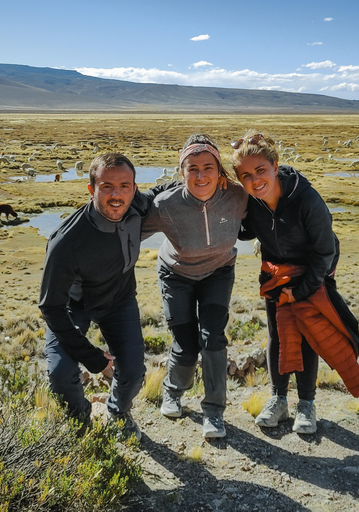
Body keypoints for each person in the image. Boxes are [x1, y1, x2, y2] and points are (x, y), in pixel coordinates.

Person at [231, 133, 359, 435]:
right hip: (275, 276)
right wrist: (228, 205)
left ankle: (306, 404)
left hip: (312, 275)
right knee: (277, 335)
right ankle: (278, 400)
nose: (255, 180)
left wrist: (303, 289)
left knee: (308, 336)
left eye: (260, 171)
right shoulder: (253, 202)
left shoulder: (306, 199)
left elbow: (325, 250)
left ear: (275, 166)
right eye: (246, 176)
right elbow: (245, 232)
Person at [142, 134, 248, 439]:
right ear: (181, 171)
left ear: (219, 170)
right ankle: (173, 392)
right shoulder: (166, 204)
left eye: (208, 167)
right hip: (176, 275)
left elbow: (275, 214)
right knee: (186, 344)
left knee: (213, 338)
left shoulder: (238, 197)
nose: (201, 175)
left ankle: (214, 412)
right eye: (192, 168)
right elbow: (127, 231)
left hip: (218, 272)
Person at [39, 152, 151, 440]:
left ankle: (117, 411)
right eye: (107, 187)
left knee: (134, 371)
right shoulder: (66, 242)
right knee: (60, 374)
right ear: (91, 190)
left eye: (125, 186)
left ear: (134, 189)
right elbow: (51, 306)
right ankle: (82, 423)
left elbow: (172, 191)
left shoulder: (138, 205)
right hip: (74, 306)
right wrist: (92, 358)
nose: (117, 195)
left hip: (120, 301)